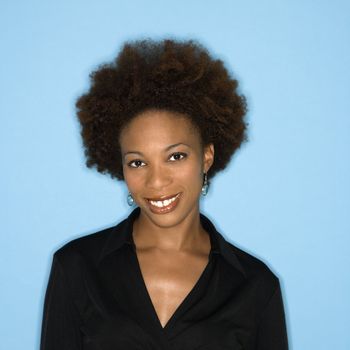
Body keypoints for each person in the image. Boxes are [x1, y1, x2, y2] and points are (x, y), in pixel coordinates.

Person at [40, 38, 289, 349]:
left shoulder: (255, 286)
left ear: (207, 157)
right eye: (138, 162)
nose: (156, 181)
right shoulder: (76, 267)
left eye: (176, 156)